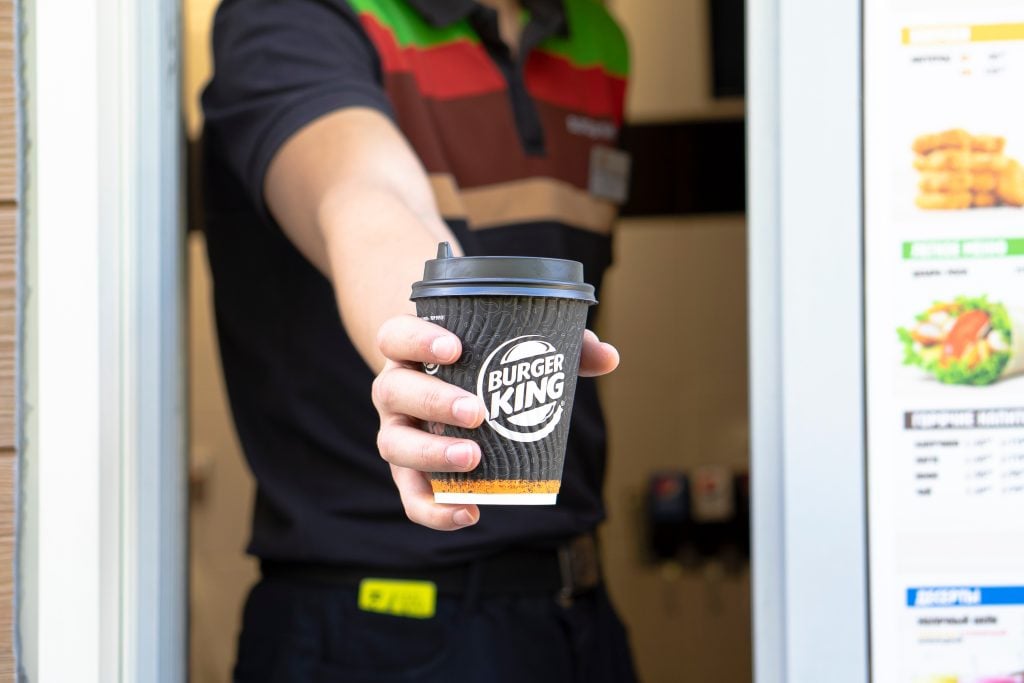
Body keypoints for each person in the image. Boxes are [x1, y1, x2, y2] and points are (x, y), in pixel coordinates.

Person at [201, 0, 636, 680]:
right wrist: (434, 342)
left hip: (576, 609)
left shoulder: (599, 40)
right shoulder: (287, 15)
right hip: (372, 624)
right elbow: (364, 194)